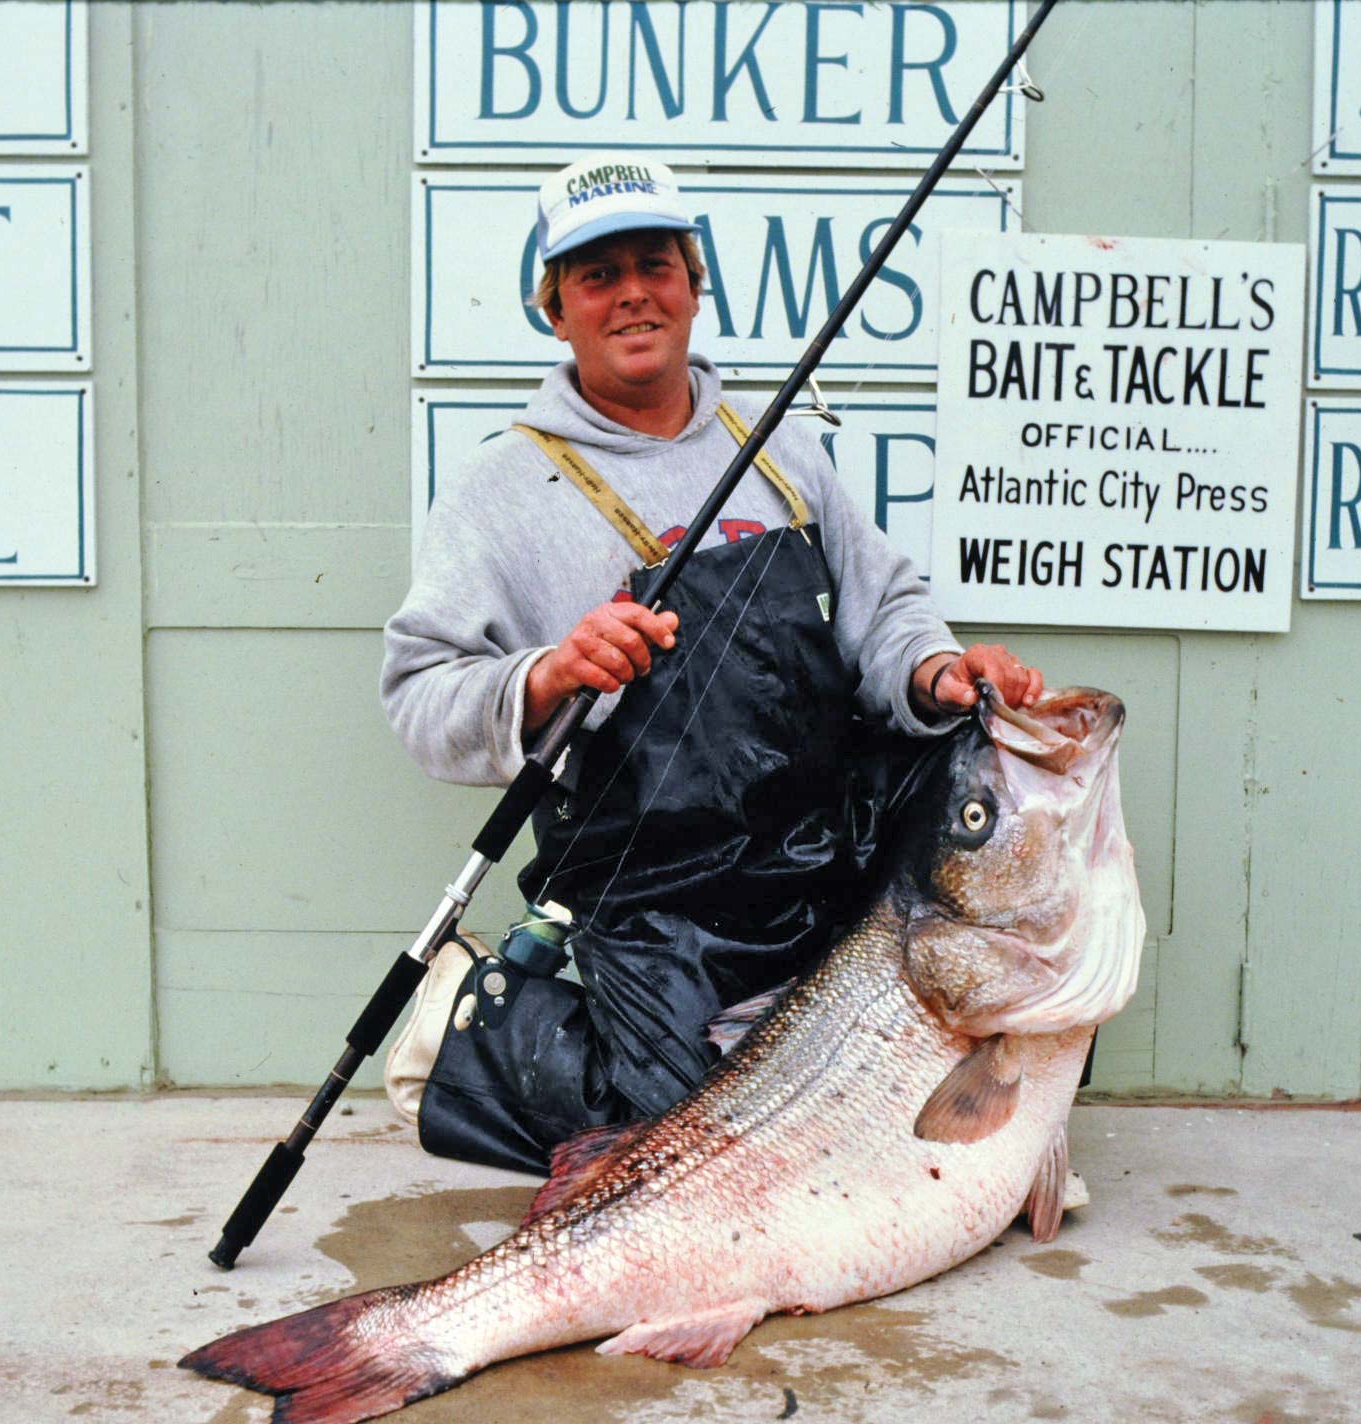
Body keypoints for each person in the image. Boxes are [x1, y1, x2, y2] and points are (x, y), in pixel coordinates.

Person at [380, 154, 1057, 1182]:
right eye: (595, 276)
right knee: (695, 1152)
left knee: (979, 776)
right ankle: (473, 1046)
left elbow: (888, 613)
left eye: (654, 264)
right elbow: (419, 692)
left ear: (694, 287)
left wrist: (935, 675)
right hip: (659, 908)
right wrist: (546, 675)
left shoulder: (781, 445)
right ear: (553, 309)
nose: (631, 294)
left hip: (829, 866)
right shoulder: (497, 490)